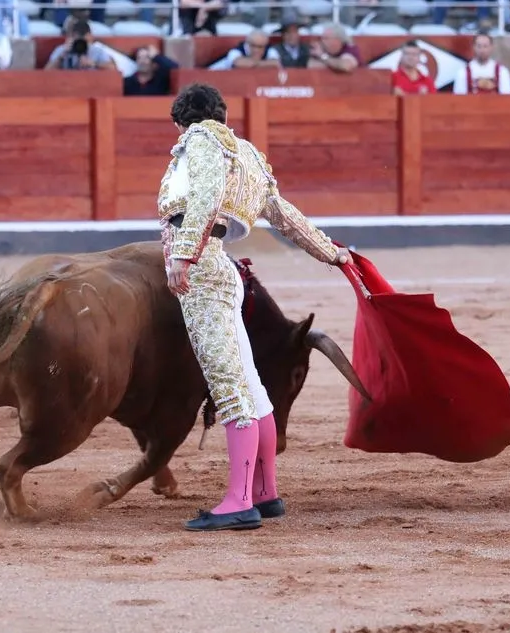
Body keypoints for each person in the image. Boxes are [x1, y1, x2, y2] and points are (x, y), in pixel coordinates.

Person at [159, 83, 349, 532]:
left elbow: (205, 196)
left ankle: (238, 502)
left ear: (181, 122)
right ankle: (264, 493)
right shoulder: (247, 155)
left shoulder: (200, 140)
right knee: (251, 387)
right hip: (225, 270)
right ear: (224, 116)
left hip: (203, 268)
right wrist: (333, 252)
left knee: (230, 388)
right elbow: (285, 216)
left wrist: (183, 255)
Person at [45, 19, 116, 71]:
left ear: (90, 37)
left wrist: (94, 63)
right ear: (72, 37)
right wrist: (62, 56)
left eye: (84, 41)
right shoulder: (63, 49)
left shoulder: (97, 51)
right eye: (79, 40)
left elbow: (113, 69)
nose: (81, 44)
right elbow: (47, 72)